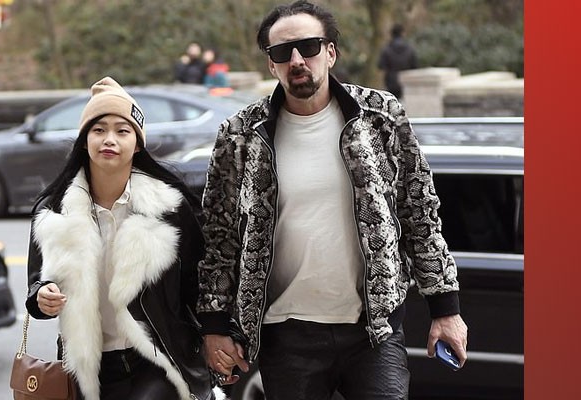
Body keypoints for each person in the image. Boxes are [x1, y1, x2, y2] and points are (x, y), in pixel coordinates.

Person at [195, 1, 468, 399]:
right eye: (281, 52)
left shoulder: (380, 117)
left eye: (308, 47)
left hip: (373, 328)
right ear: (271, 65)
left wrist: (446, 309)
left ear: (330, 53)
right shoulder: (240, 135)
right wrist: (214, 325)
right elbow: (219, 236)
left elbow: (419, 213)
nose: (296, 60)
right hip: (285, 333)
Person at [25, 76, 223, 400]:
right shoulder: (53, 213)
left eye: (122, 131)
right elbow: (37, 284)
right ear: (84, 140)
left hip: (158, 358)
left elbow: (197, 284)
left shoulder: (168, 207)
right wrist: (41, 297)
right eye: (98, 130)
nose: (109, 139)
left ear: (138, 143)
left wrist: (217, 335)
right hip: (89, 368)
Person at [378, 23, 418, 99]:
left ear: (391, 34)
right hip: (407, 82)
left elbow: (381, 66)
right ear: (403, 33)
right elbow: (414, 66)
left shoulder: (386, 49)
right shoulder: (410, 49)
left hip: (391, 83)